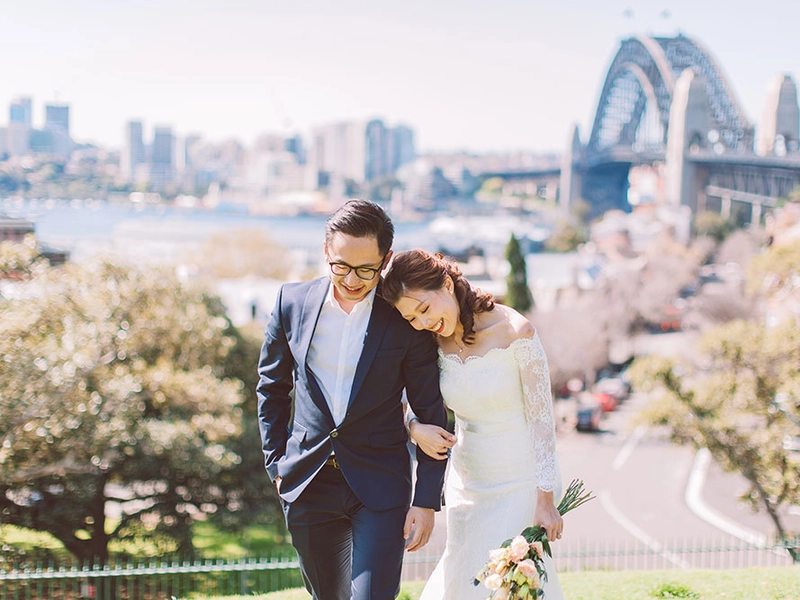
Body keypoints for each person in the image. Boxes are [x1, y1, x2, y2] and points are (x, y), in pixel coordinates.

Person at [256, 200, 449, 600]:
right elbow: (272, 389)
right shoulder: (290, 304)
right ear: (326, 251)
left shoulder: (404, 319)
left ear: (386, 259)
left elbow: (431, 411)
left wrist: (426, 499)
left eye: (367, 269)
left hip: (381, 485)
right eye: (341, 266)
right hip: (307, 483)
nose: (352, 279)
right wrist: (276, 464)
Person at [381, 249, 565, 600]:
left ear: (447, 284)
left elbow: (543, 422)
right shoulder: (428, 341)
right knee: (463, 582)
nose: (421, 323)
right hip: (466, 483)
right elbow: (400, 399)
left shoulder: (516, 332)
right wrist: (414, 427)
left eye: (424, 309)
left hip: (520, 483)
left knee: (507, 587)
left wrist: (545, 499)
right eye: (411, 319)